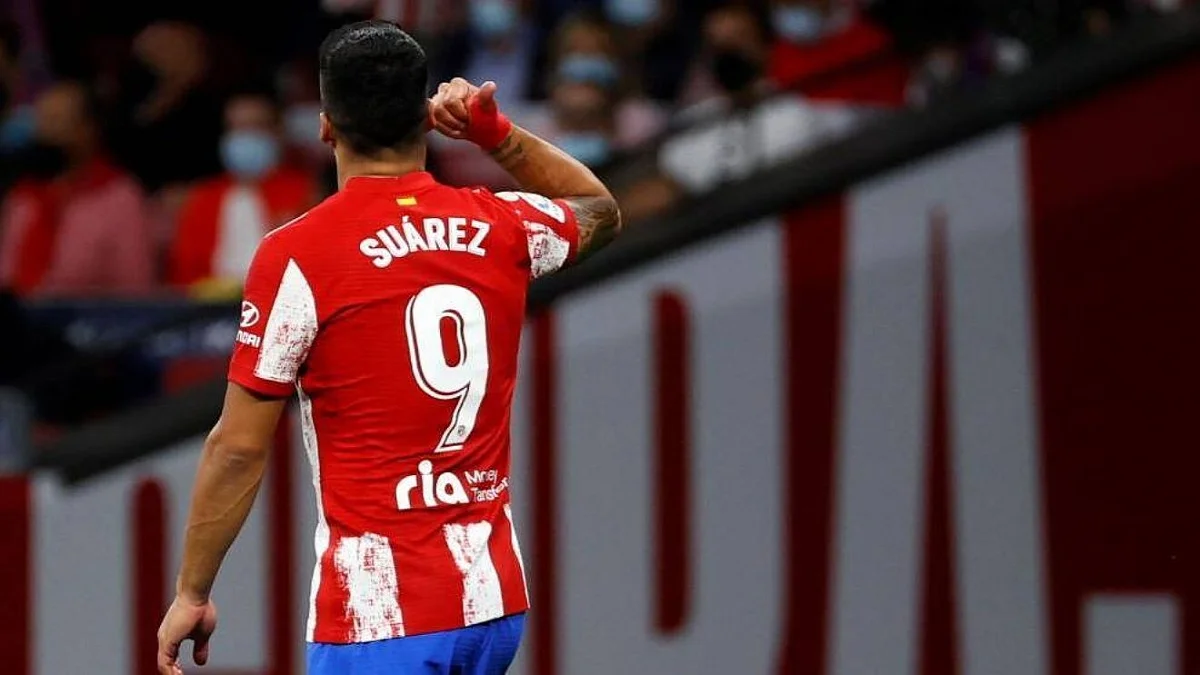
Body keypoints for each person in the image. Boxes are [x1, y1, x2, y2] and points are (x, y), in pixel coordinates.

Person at [156, 19, 621, 675]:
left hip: (380, 618)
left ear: (326, 126)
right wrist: (495, 134)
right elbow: (597, 209)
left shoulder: (299, 255)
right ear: (427, 117)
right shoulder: (499, 225)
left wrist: (192, 592)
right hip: (491, 605)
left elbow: (238, 446)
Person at [0, 81, 155, 296]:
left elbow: (135, 291)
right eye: (42, 121)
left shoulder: (121, 197)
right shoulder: (22, 196)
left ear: (88, 130)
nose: (46, 133)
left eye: (57, 122)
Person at [168, 91, 315, 296]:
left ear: (277, 132)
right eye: (237, 127)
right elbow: (183, 274)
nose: (245, 136)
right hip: (211, 309)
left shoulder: (302, 193)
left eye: (256, 126)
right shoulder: (204, 198)